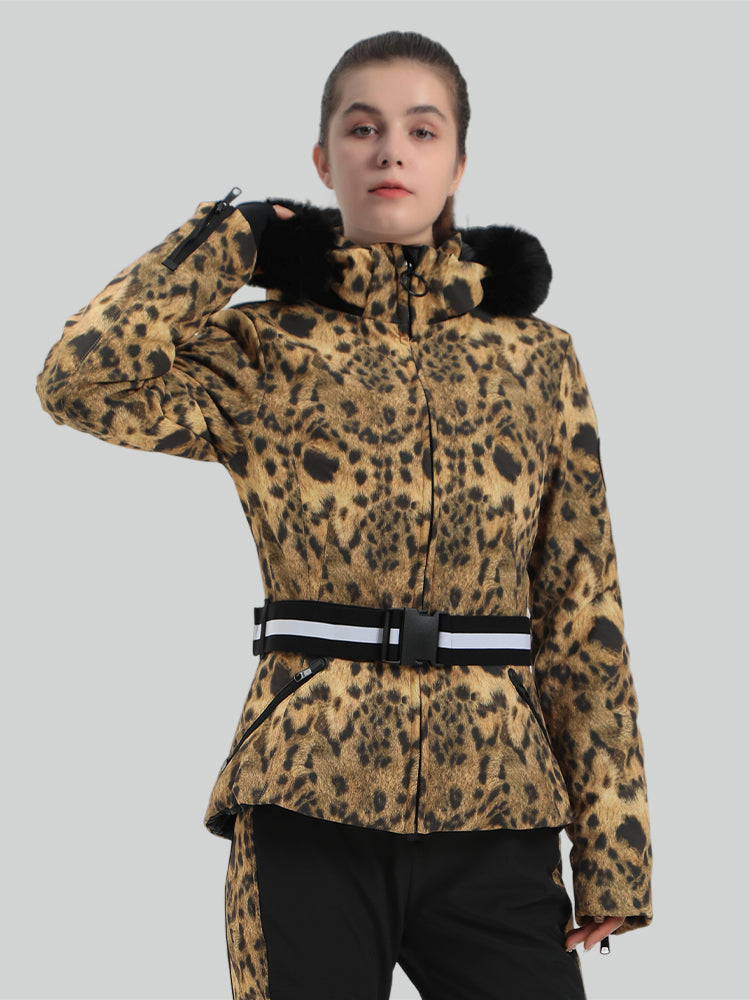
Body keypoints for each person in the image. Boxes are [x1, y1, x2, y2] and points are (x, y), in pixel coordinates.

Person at [35, 28, 652, 1000]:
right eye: (362, 128)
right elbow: (81, 381)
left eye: (422, 129)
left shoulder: (536, 358)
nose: (391, 149)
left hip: (498, 806)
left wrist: (613, 847)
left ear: (458, 162)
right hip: (305, 797)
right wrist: (235, 235)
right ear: (324, 161)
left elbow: (584, 605)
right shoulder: (264, 346)